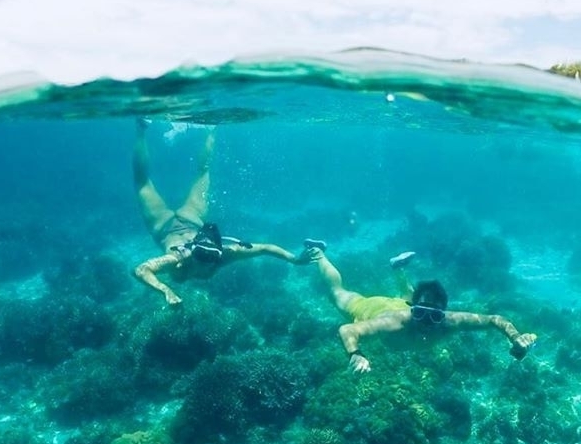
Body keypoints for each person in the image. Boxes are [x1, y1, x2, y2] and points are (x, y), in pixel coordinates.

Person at [132, 121, 310, 305]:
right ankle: (208, 128)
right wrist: (165, 290)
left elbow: (266, 248)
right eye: (200, 255)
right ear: (193, 250)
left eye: (207, 256)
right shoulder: (180, 257)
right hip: (189, 220)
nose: (202, 262)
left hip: (163, 226)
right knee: (195, 173)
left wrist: (295, 260)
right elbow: (141, 270)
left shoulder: (225, 255)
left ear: (218, 253)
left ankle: (145, 129)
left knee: (143, 183)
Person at [305, 243, 537, 373]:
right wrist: (356, 355)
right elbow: (347, 330)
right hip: (373, 308)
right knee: (337, 293)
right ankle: (319, 252)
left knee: (408, 297)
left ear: (443, 314)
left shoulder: (451, 321)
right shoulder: (394, 322)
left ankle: (398, 268)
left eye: (434, 316)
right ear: (412, 311)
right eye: (420, 313)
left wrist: (516, 337)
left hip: (402, 304)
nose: (426, 322)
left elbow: (494, 319)